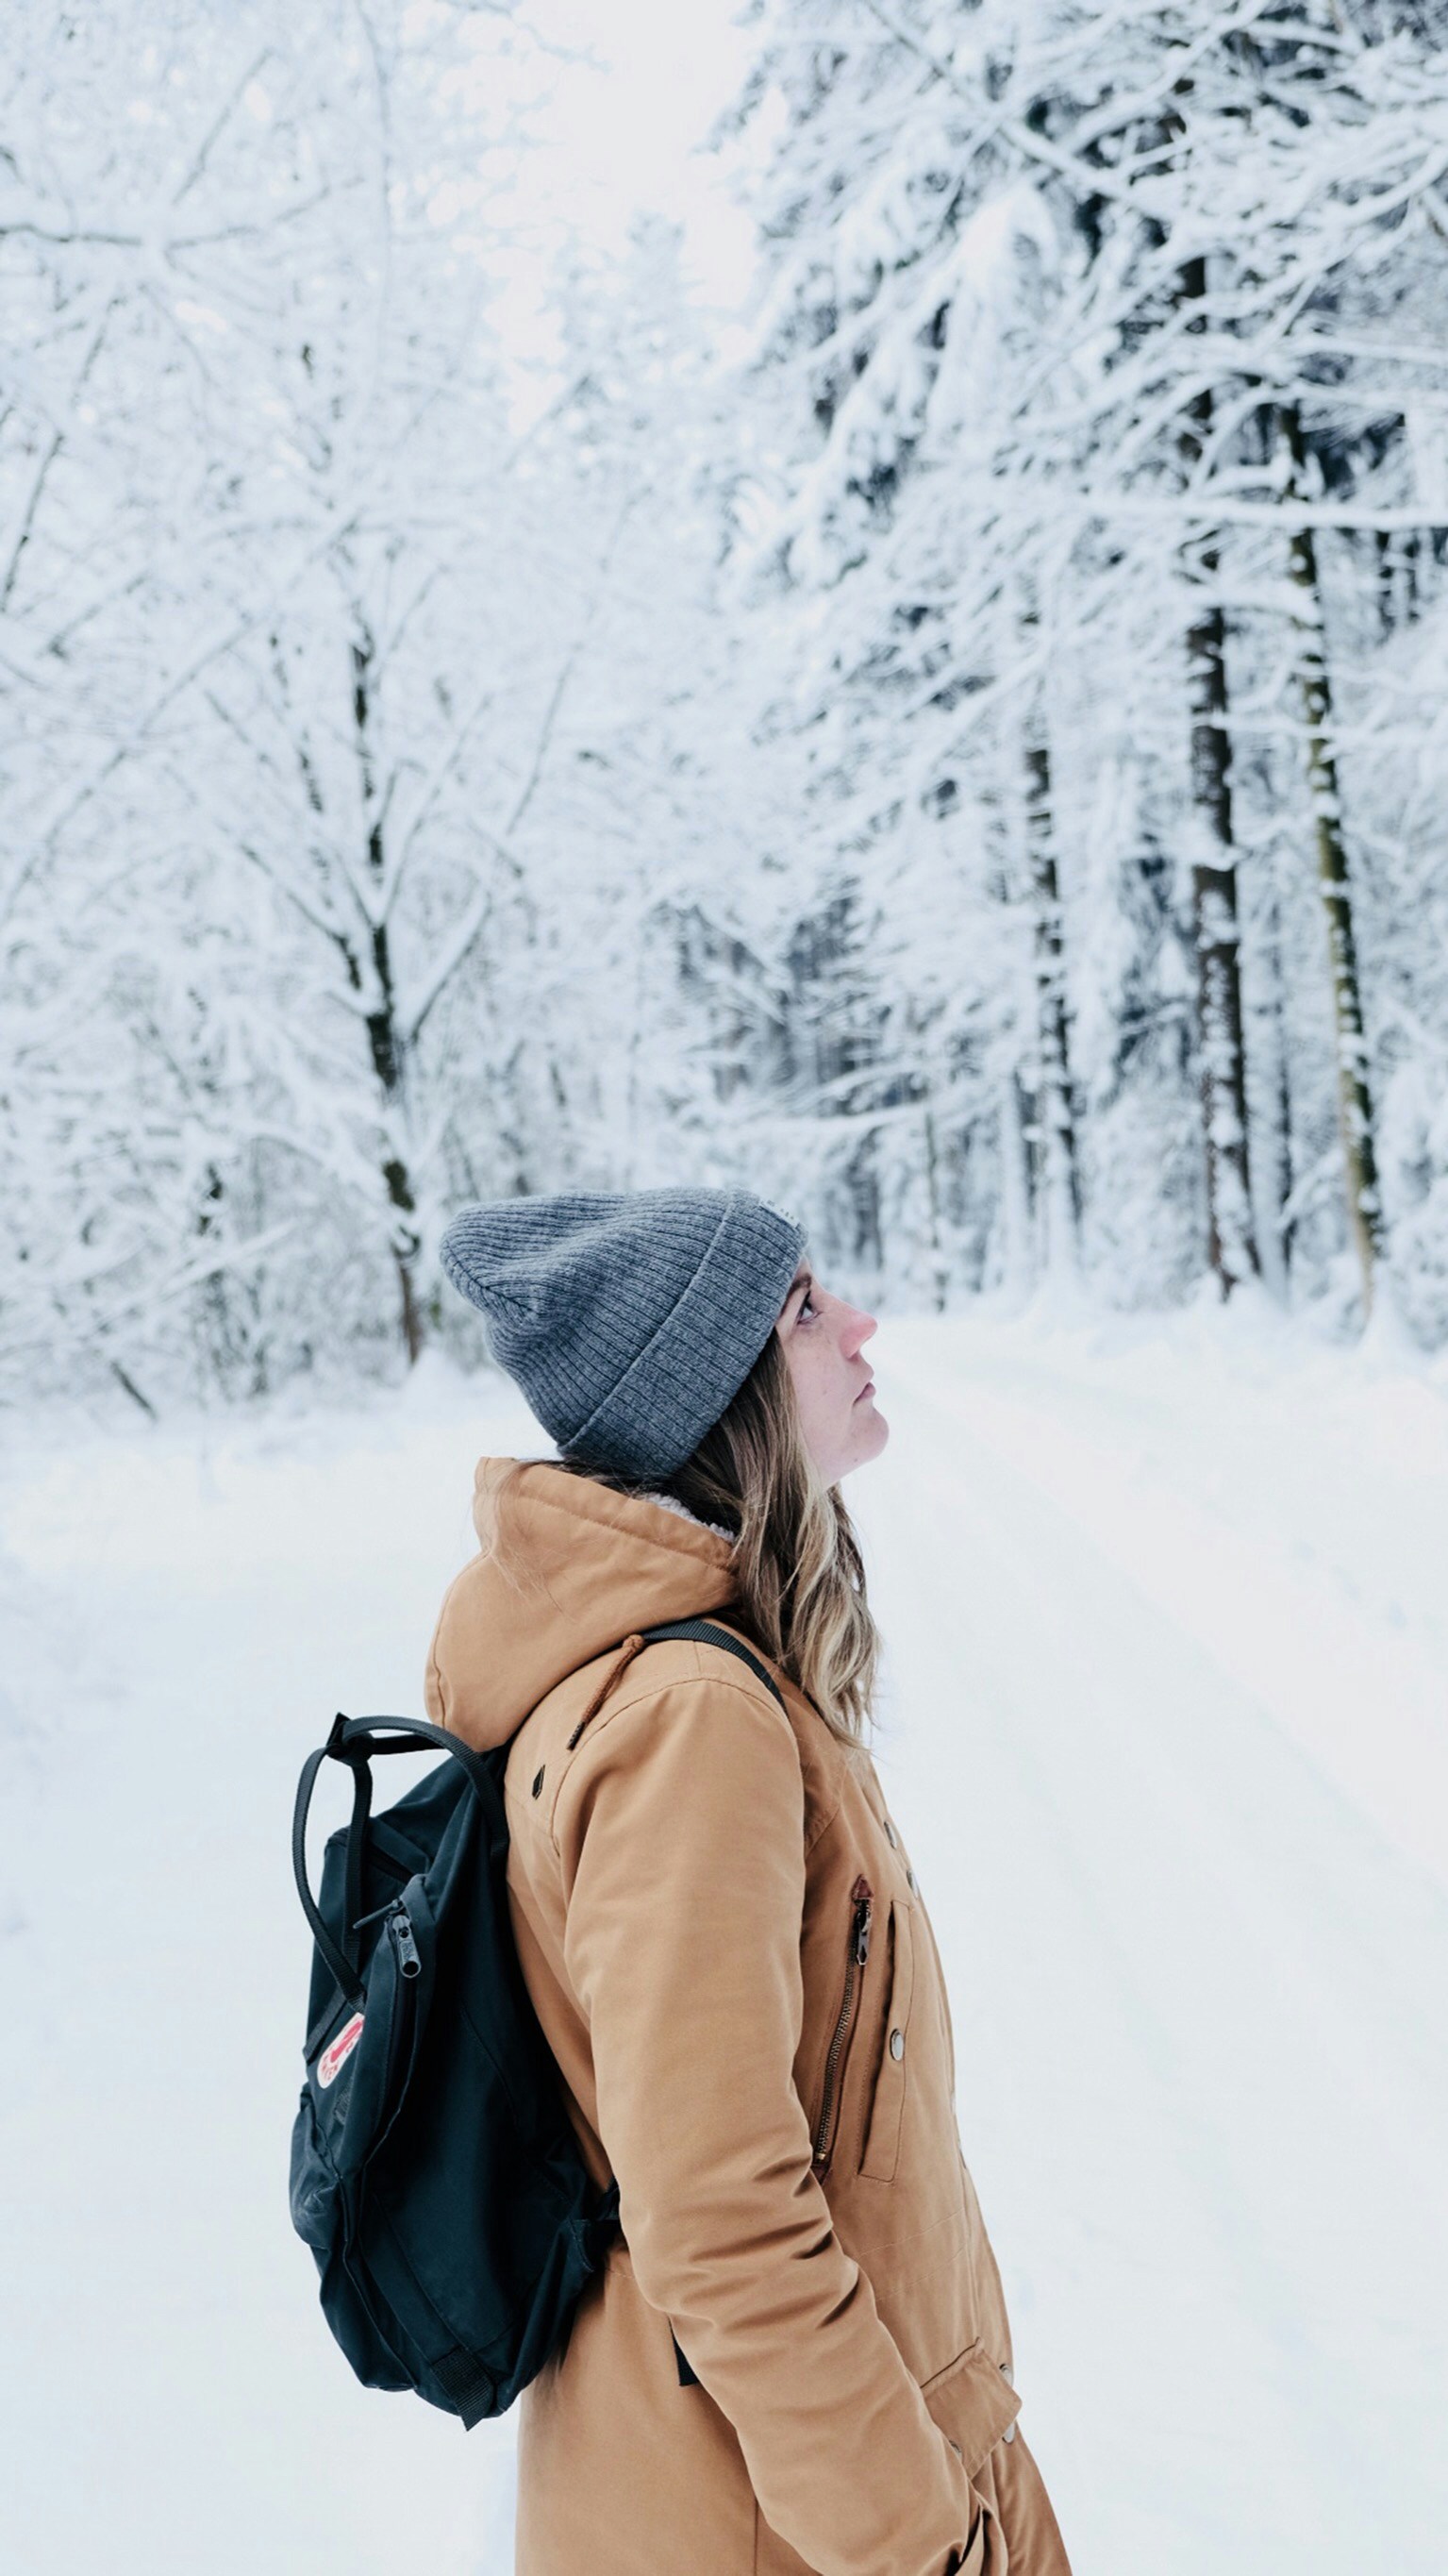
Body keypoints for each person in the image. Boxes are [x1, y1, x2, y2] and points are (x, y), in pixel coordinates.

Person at [424, 1186, 1071, 2576]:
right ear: (717, 1399)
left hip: (782, 2476)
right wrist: (919, 2538)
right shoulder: (688, 1721)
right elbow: (720, 2216)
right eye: (802, 1309)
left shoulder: (691, 1674)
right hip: (788, 2521)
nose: (857, 1323)